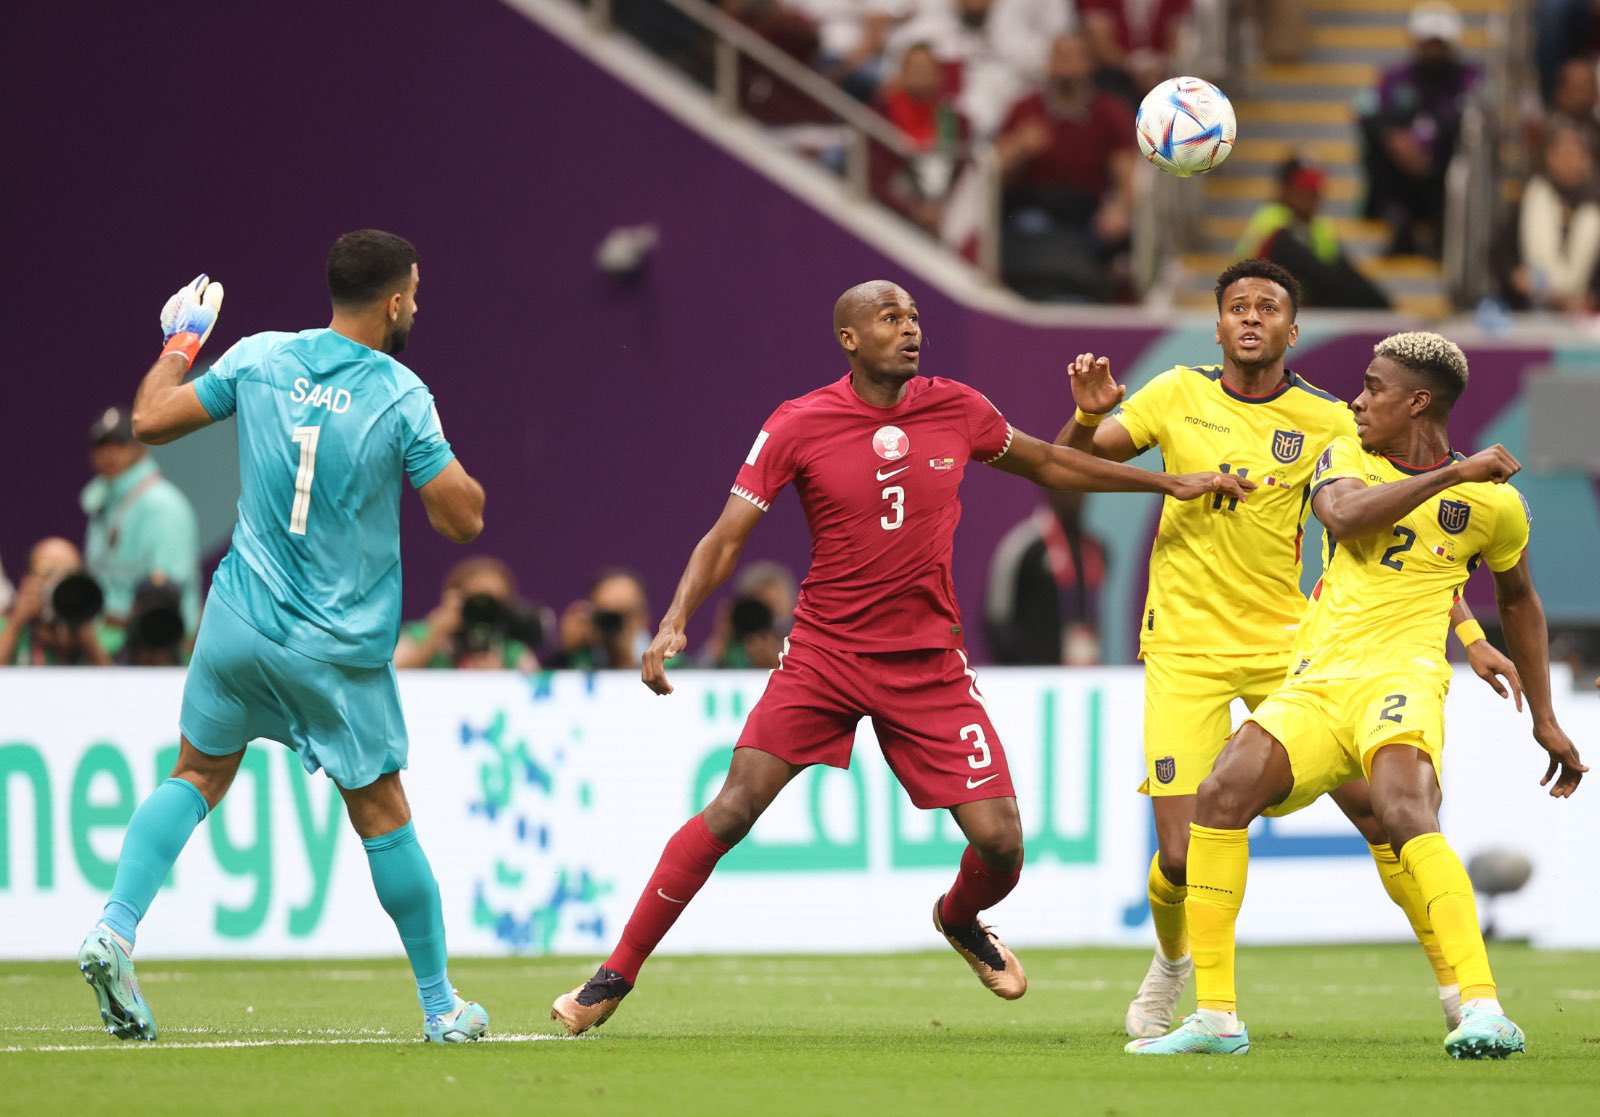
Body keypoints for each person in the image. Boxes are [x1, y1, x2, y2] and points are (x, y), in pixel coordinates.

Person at [549, 279, 1252, 1035]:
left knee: (1003, 843)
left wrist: (1165, 482)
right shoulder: (798, 423)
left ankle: (959, 916)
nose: (910, 330)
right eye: (890, 319)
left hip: (927, 663)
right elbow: (726, 536)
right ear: (849, 338)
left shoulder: (959, 408)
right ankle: (613, 973)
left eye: (914, 317)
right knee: (734, 805)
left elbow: (1050, 462)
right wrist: (675, 620)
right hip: (824, 652)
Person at [1057, 259, 1523, 1040]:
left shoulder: (1331, 420)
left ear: (1290, 330)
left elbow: (1406, 543)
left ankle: (1457, 988)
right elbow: (1072, 469)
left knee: (1383, 813)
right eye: (1235, 306)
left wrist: (1469, 635)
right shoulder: (1173, 392)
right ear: (1216, 326)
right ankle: (1176, 967)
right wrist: (1082, 418)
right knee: (1179, 855)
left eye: (1266, 306)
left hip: (1292, 645)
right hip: (1184, 647)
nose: (1249, 317)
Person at [77, 230, 491, 1045]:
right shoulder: (401, 393)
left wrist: (180, 343)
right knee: (382, 810)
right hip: (333, 647)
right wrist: (438, 453)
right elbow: (462, 518)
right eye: (417, 290)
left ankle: (114, 929)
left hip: (237, 620)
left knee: (195, 771)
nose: (420, 302)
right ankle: (442, 1007)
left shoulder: (260, 355)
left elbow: (152, 417)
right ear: (397, 300)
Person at [1127, 331, 1586, 1058]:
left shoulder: (1499, 507)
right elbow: (1345, 517)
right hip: (1316, 679)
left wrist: (1546, 716)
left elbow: (1521, 600)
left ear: (1417, 401)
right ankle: (1216, 1014)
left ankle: (1481, 1004)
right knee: (1221, 793)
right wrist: (1456, 472)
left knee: (1404, 810)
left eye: (1374, 388)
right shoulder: (1346, 457)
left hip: (1400, 679)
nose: (1357, 399)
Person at [994, 32, 1136, 301]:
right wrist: (1020, 147)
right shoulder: (1025, 109)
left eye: (1074, 57)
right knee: (1031, 230)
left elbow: (1127, 174)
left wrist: (1120, 208)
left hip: (1087, 211)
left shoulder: (1110, 111)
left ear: (1090, 64)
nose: (1066, 65)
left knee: (1102, 244)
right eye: (1060, 56)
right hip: (1034, 207)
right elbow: (994, 172)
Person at [1358, 2, 1481, 257]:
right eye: (1428, 43)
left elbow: (1472, 115)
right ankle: (1399, 221)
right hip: (1401, 172)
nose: (1433, 51)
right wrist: (1398, 143)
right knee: (1373, 127)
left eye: (1440, 43)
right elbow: (1365, 110)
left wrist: (1427, 152)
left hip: (1443, 174)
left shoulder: (1471, 76)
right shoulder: (1395, 76)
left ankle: (1443, 229)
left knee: (1466, 132)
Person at [82, 405, 201, 635]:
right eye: (102, 445)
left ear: (140, 448)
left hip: (158, 642)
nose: (109, 453)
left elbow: (165, 596)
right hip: (106, 635)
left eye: (120, 443)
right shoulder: (102, 501)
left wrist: (117, 619)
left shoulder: (164, 506)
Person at [1236, 160, 1392, 310]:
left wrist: (1382, 305)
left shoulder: (1317, 227)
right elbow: (1319, 276)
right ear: (1285, 189)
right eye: (1305, 191)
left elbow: (1346, 274)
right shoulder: (1273, 222)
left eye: (1316, 192)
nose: (1313, 199)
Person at [984, 490, 1106, 665]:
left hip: (1083, 675)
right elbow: (996, 616)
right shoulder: (1023, 544)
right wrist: (1017, 669)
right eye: (1069, 484)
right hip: (1033, 675)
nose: (1077, 493)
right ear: (1048, 488)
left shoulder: (1096, 548)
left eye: (1084, 485)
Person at [1507, 126, 1600, 313]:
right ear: (1549, 158)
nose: (1568, 161)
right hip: (1533, 307)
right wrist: (1515, 276)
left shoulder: (1595, 202)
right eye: (1562, 154)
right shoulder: (1532, 196)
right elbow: (1501, 253)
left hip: (1586, 313)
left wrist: (1591, 296)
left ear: (1587, 160)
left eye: (1574, 155)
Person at [395, 556, 539, 670]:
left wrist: (500, 678)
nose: (484, 610)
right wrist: (435, 636)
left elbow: (537, 694)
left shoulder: (510, 649)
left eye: (494, 603)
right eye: (477, 600)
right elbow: (392, 675)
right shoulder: (421, 635)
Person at [0, 537, 114, 667]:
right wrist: (16, 623)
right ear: (27, 581)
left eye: (67, 575)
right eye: (46, 573)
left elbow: (116, 684)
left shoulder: (102, 634)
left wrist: (89, 644)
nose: (57, 585)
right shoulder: (5, 628)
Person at [550, 567, 654, 669]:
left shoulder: (665, 666)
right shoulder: (578, 662)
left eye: (623, 616)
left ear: (643, 617)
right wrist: (565, 654)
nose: (613, 625)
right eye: (607, 616)